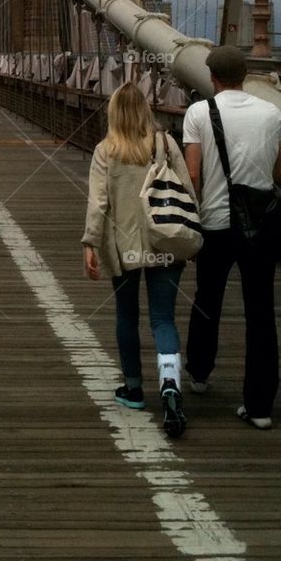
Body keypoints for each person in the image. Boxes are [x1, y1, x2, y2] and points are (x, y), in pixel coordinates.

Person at [183, 46, 281, 430]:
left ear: (212, 77)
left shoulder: (199, 113)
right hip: (259, 227)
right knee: (260, 312)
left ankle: (198, 372)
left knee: (207, 299)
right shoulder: (271, 113)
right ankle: (260, 406)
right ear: (246, 75)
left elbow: (193, 175)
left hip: (215, 225)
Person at [82, 82, 198, 439]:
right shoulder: (166, 143)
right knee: (163, 319)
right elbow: (187, 193)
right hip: (164, 241)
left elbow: (99, 203)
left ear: (114, 112)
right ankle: (170, 386)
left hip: (125, 244)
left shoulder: (106, 150)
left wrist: (89, 243)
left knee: (126, 315)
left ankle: (133, 389)